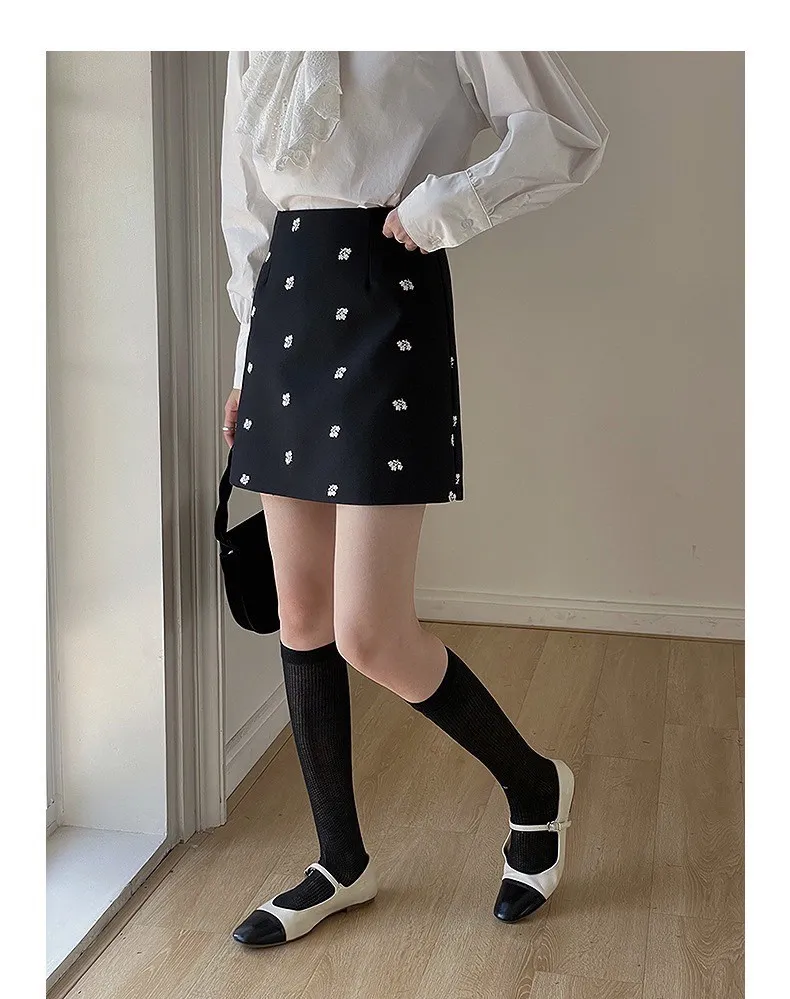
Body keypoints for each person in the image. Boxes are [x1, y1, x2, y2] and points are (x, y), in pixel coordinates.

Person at [220, 50, 608, 948]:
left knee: (370, 632)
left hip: (387, 292)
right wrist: (245, 357)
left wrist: (445, 208)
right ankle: (339, 861)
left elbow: (565, 133)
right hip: (282, 312)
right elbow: (244, 202)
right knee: (301, 612)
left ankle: (536, 785)